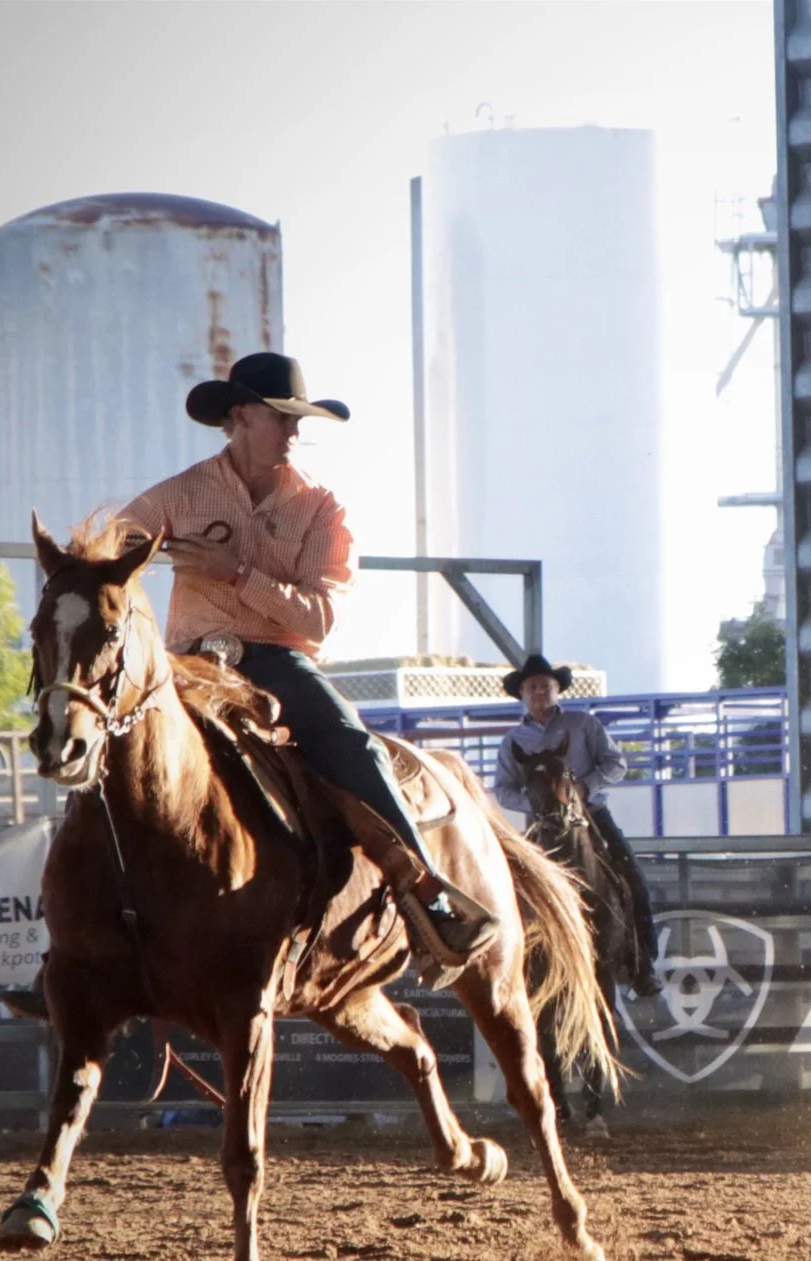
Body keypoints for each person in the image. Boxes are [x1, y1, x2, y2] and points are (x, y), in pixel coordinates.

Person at [121, 352, 495, 976]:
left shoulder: (320, 508)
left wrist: (234, 574)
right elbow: (113, 546)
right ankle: (81, 935)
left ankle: (422, 891)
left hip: (276, 664)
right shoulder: (177, 495)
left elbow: (321, 618)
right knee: (107, 744)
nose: (296, 433)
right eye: (283, 418)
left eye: (300, 422)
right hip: (187, 667)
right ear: (240, 416)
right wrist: (115, 561)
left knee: (352, 743)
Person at [493, 653, 662, 998]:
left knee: (633, 880)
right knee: (506, 889)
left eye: (545, 686)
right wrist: (541, 804)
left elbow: (617, 764)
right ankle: (511, 966)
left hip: (594, 816)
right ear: (522, 694)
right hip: (543, 825)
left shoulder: (584, 724)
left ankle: (643, 963)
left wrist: (586, 787)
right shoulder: (513, 741)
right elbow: (503, 791)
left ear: (557, 690)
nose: (539, 692)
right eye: (532, 687)